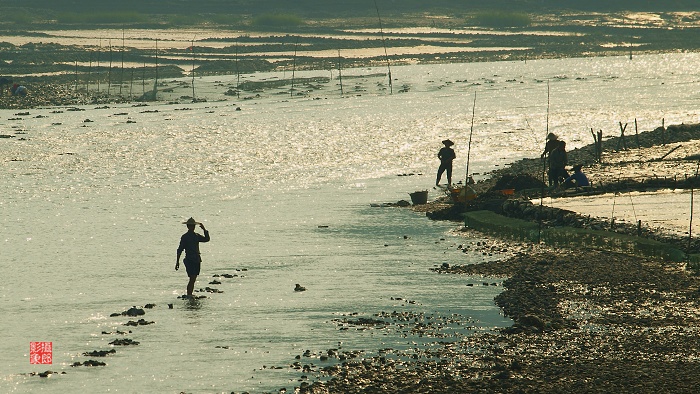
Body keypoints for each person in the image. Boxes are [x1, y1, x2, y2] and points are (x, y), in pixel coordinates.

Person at [176, 217, 210, 298]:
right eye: (191, 226)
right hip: (189, 259)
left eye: (193, 226)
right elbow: (180, 249)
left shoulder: (196, 236)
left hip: (197, 259)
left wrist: (204, 229)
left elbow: (207, 239)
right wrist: (177, 262)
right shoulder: (185, 237)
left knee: (193, 278)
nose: (192, 227)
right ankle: (189, 294)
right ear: (188, 226)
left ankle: (189, 294)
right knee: (192, 277)